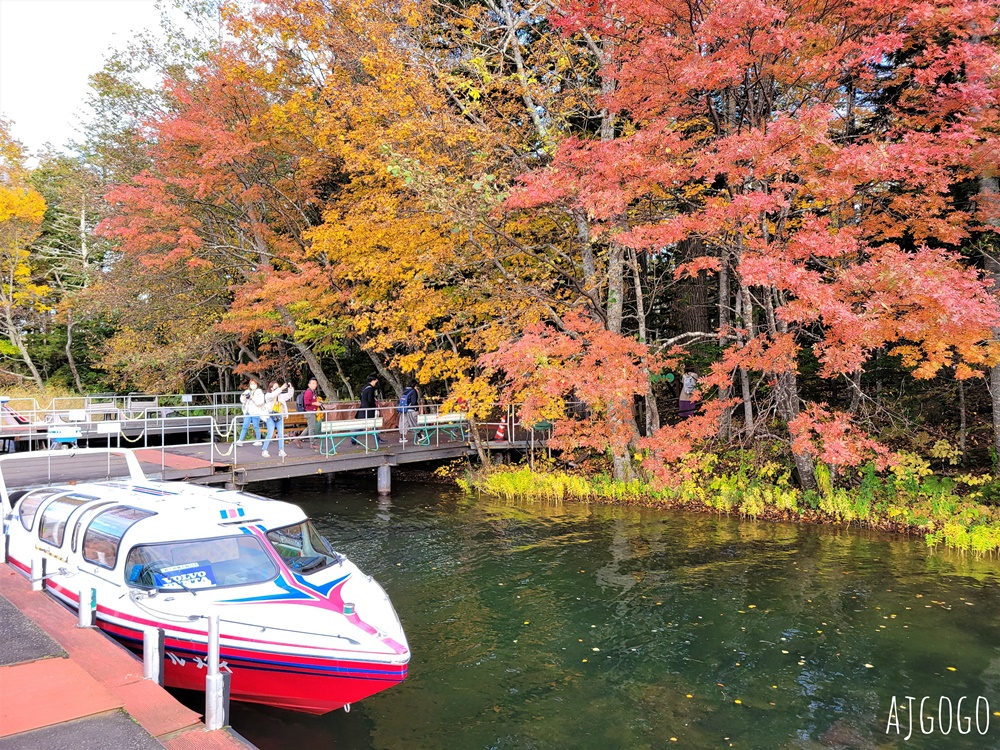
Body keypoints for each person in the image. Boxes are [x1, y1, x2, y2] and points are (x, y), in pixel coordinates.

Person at [262, 381, 294, 458]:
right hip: (270, 416)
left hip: (279, 416)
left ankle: (281, 450)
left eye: (278, 387)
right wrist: (281, 388)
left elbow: (289, 395)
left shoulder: (281, 396)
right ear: (271, 388)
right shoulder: (268, 395)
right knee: (270, 433)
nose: (278, 389)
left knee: (281, 434)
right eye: (275, 387)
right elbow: (273, 395)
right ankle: (264, 450)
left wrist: (290, 388)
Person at [354, 373, 381, 448]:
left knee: (360, 425)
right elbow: (370, 400)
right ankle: (377, 439)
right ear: (374, 380)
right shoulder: (371, 389)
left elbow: (361, 397)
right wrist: (374, 406)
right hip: (368, 410)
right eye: (376, 380)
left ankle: (353, 438)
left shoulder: (364, 387)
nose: (376, 382)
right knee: (374, 424)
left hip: (362, 408)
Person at [236, 379, 266, 446]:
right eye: (251, 384)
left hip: (256, 412)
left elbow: (260, 402)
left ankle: (259, 440)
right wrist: (244, 397)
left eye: (254, 384)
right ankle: (240, 440)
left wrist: (252, 397)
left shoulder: (259, 392)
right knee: (245, 426)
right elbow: (242, 401)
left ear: (257, 384)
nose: (252, 385)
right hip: (248, 411)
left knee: (256, 426)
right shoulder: (247, 391)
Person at [302, 377, 322, 448]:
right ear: (309, 385)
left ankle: (298, 439)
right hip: (309, 412)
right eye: (313, 383)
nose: (314, 385)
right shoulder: (308, 392)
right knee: (311, 428)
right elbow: (307, 402)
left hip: (312, 411)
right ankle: (312, 443)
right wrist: (315, 404)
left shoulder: (313, 392)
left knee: (310, 427)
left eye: (315, 384)